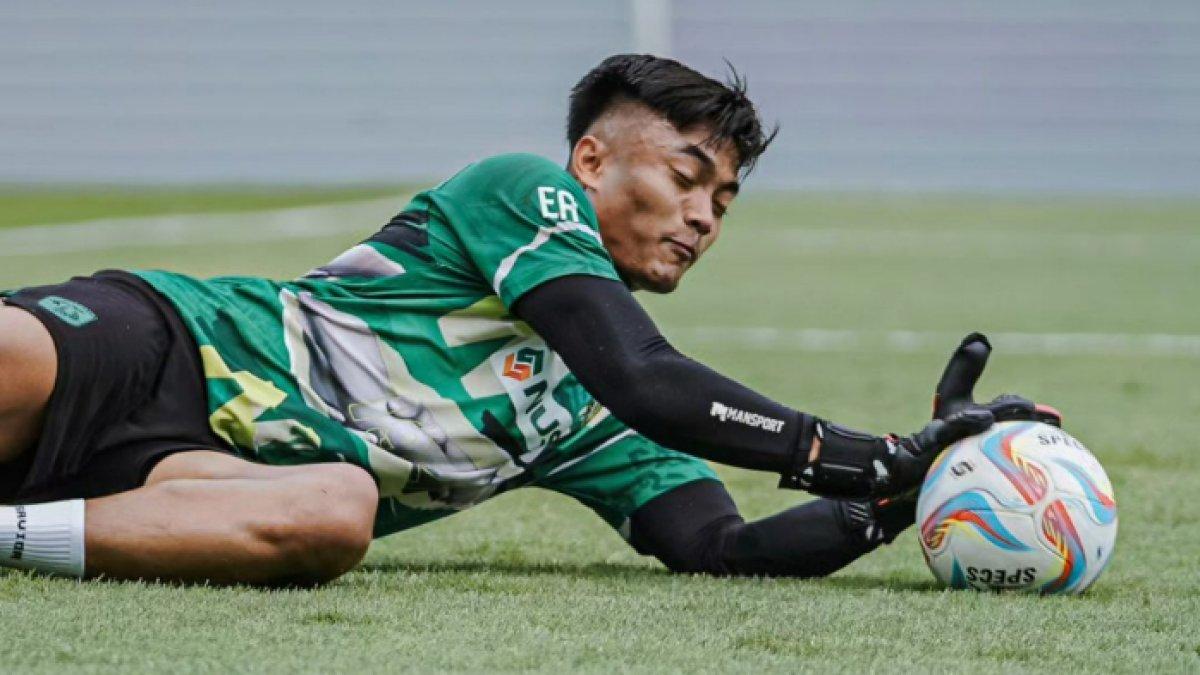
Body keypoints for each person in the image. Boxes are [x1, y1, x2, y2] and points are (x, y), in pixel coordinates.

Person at [0, 54, 1059, 585]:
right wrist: (857, 451)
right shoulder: (525, 191)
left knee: (336, 514)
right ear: (591, 160)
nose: (703, 215)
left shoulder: (596, 423)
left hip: (199, 476)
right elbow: (644, 372)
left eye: (725, 201)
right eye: (687, 177)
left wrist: (901, 496)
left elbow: (720, 544)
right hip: (165, 346)